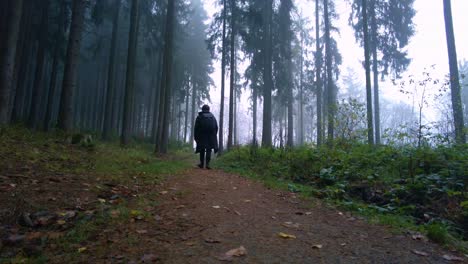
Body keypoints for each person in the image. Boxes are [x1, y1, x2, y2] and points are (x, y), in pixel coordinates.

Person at [194, 104, 219, 169]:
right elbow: (216, 127)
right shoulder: (212, 117)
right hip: (211, 135)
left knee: (202, 149)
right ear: (208, 109)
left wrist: (196, 137)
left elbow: (196, 128)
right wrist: (214, 135)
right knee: (209, 149)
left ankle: (202, 164)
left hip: (202, 135)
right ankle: (207, 164)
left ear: (202, 109)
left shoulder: (199, 116)